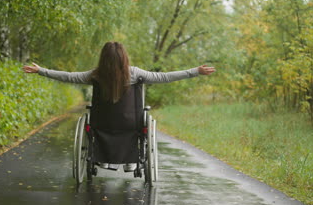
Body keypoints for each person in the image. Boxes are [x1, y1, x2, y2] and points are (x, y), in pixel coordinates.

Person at [23, 41, 215, 171]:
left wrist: (41, 71)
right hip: (131, 125)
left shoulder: (95, 75)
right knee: (140, 120)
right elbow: (164, 77)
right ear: (124, 58)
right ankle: (131, 161)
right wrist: (195, 71)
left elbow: (68, 76)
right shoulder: (136, 74)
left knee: (95, 120)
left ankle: (101, 158)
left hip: (102, 125)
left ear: (103, 59)